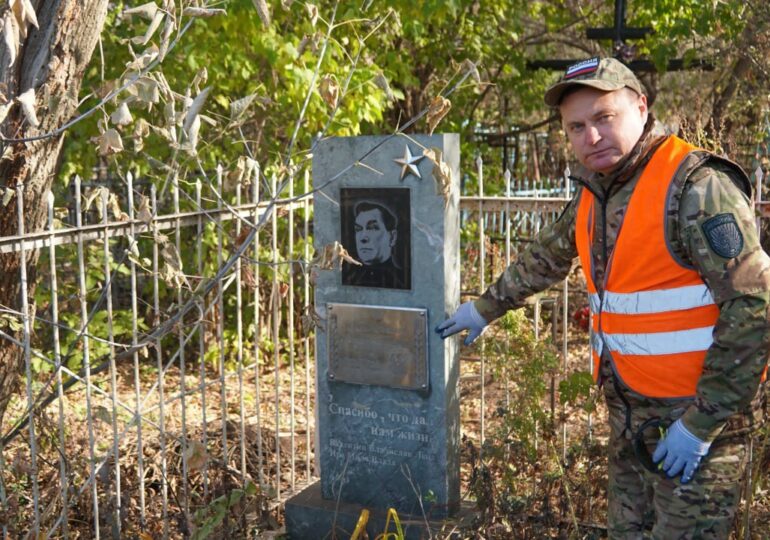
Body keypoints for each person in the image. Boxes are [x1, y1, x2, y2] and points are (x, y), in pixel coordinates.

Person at [437, 57, 770, 538]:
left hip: (697, 423)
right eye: (576, 127)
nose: (590, 137)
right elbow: (548, 256)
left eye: (603, 118)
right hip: (630, 413)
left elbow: (755, 306)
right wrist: (485, 308)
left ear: (640, 106)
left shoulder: (697, 188)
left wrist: (701, 424)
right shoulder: (599, 189)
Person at [343, 200, 408, 289]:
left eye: (373, 228)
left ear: (392, 237)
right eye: (358, 229)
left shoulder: (403, 281)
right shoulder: (347, 279)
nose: (363, 238)